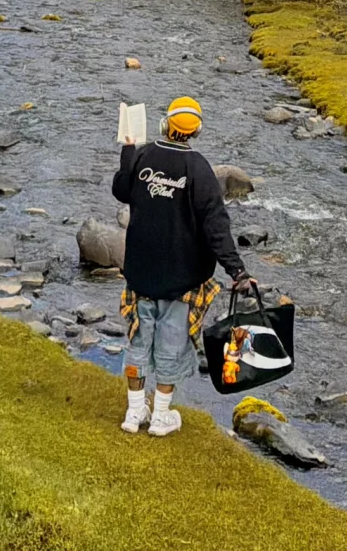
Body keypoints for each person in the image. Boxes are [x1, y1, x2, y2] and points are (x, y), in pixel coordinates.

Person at [112, 94, 251, 438]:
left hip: (140, 275)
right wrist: (238, 271)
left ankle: (133, 414)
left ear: (165, 123)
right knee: (172, 346)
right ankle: (160, 417)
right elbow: (216, 227)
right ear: (196, 131)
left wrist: (128, 150)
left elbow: (121, 190)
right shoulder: (199, 169)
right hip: (182, 282)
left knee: (138, 342)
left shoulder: (143, 155)